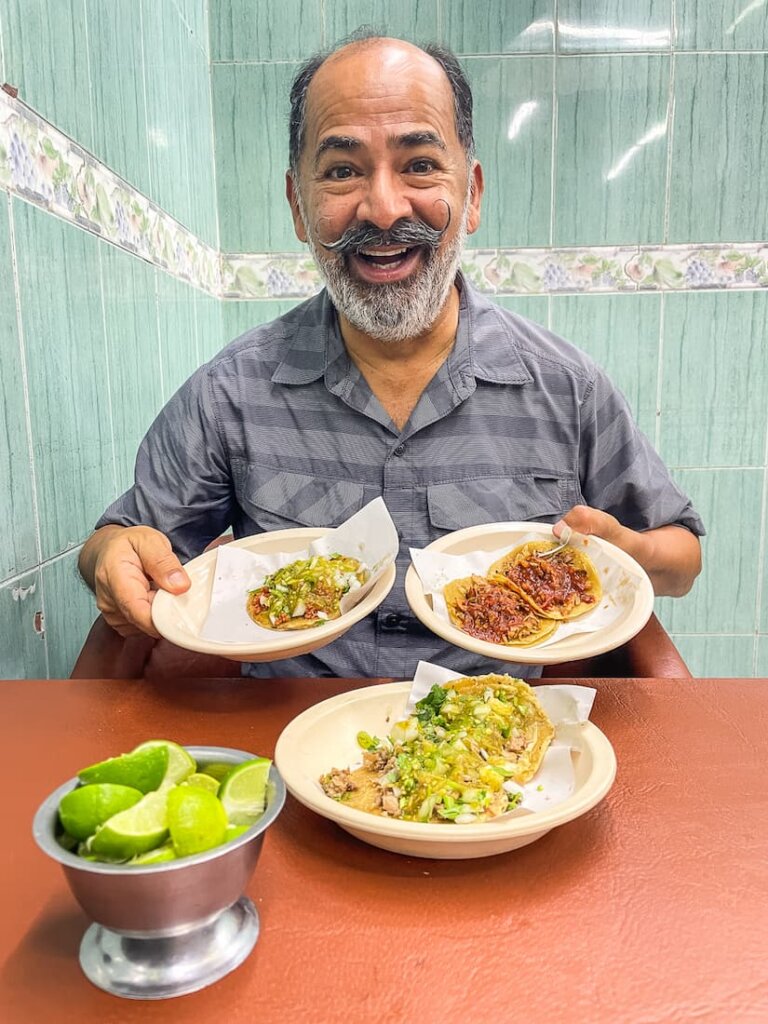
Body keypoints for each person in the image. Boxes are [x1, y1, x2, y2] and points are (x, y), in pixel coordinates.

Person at [79, 35, 704, 679]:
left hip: (497, 745)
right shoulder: (229, 392)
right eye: (342, 171)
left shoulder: (567, 388)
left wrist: (626, 551)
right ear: (299, 204)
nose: (383, 208)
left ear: (473, 196)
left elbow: (681, 558)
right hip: (292, 737)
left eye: (420, 164)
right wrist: (109, 557)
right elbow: (125, 540)